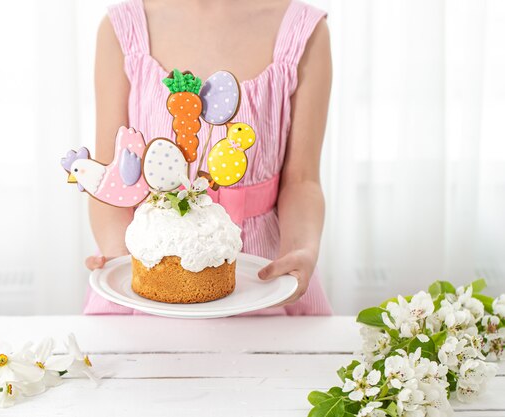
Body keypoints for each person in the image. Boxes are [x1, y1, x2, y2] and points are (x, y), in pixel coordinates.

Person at [84, 0, 333, 315]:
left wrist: (300, 250)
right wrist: (123, 262)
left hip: (259, 275)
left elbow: (302, 180)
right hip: (147, 269)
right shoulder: (121, 29)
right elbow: (112, 175)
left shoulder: (304, 31)